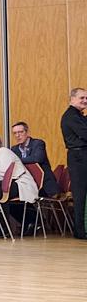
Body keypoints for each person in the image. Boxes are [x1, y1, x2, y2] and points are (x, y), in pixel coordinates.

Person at [60, 87, 87, 240]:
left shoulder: (79, 116)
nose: (85, 101)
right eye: (81, 98)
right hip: (79, 157)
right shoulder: (71, 116)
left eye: (86, 98)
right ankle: (80, 231)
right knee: (80, 193)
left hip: (81, 155)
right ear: (72, 99)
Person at [10, 121, 59, 197]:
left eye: (20, 132)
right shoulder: (14, 149)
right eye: (15, 133)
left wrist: (17, 160)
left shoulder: (38, 143)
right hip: (27, 186)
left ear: (27, 132)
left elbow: (37, 158)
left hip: (45, 186)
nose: (17, 135)